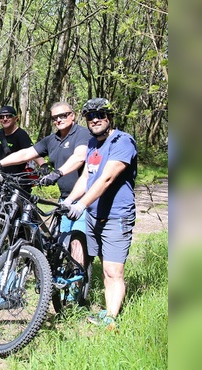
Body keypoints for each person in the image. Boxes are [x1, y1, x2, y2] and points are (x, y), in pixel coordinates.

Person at [0, 102, 92, 273]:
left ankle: (76, 284)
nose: (59, 120)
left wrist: (57, 173)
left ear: (72, 115)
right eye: (55, 118)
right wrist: (0, 163)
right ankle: (58, 277)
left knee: (75, 240)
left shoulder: (82, 134)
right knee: (62, 241)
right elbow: (27, 153)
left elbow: (79, 157)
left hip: (85, 198)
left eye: (63, 115)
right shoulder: (52, 139)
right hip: (65, 196)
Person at [62, 98, 138, 331]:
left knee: (114, 271)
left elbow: (107, 177)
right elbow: (87, 177)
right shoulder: (94, 144)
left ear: (109, 117)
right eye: (90, 116)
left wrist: (82, 204)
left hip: (116, 217)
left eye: (100, 115)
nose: (95, 119)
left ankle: (112, 320)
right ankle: (108, 310)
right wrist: (69, 200)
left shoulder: (122, 141)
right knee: (105, 267)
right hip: (95, 217)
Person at [0, 105, 44, 190]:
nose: (5, 119)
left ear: (15, 118)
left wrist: (43, 165)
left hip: (18, 180)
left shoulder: (21, 135)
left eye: (8, 116)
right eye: (2, 117)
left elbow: (33, 153)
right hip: (0, 178)